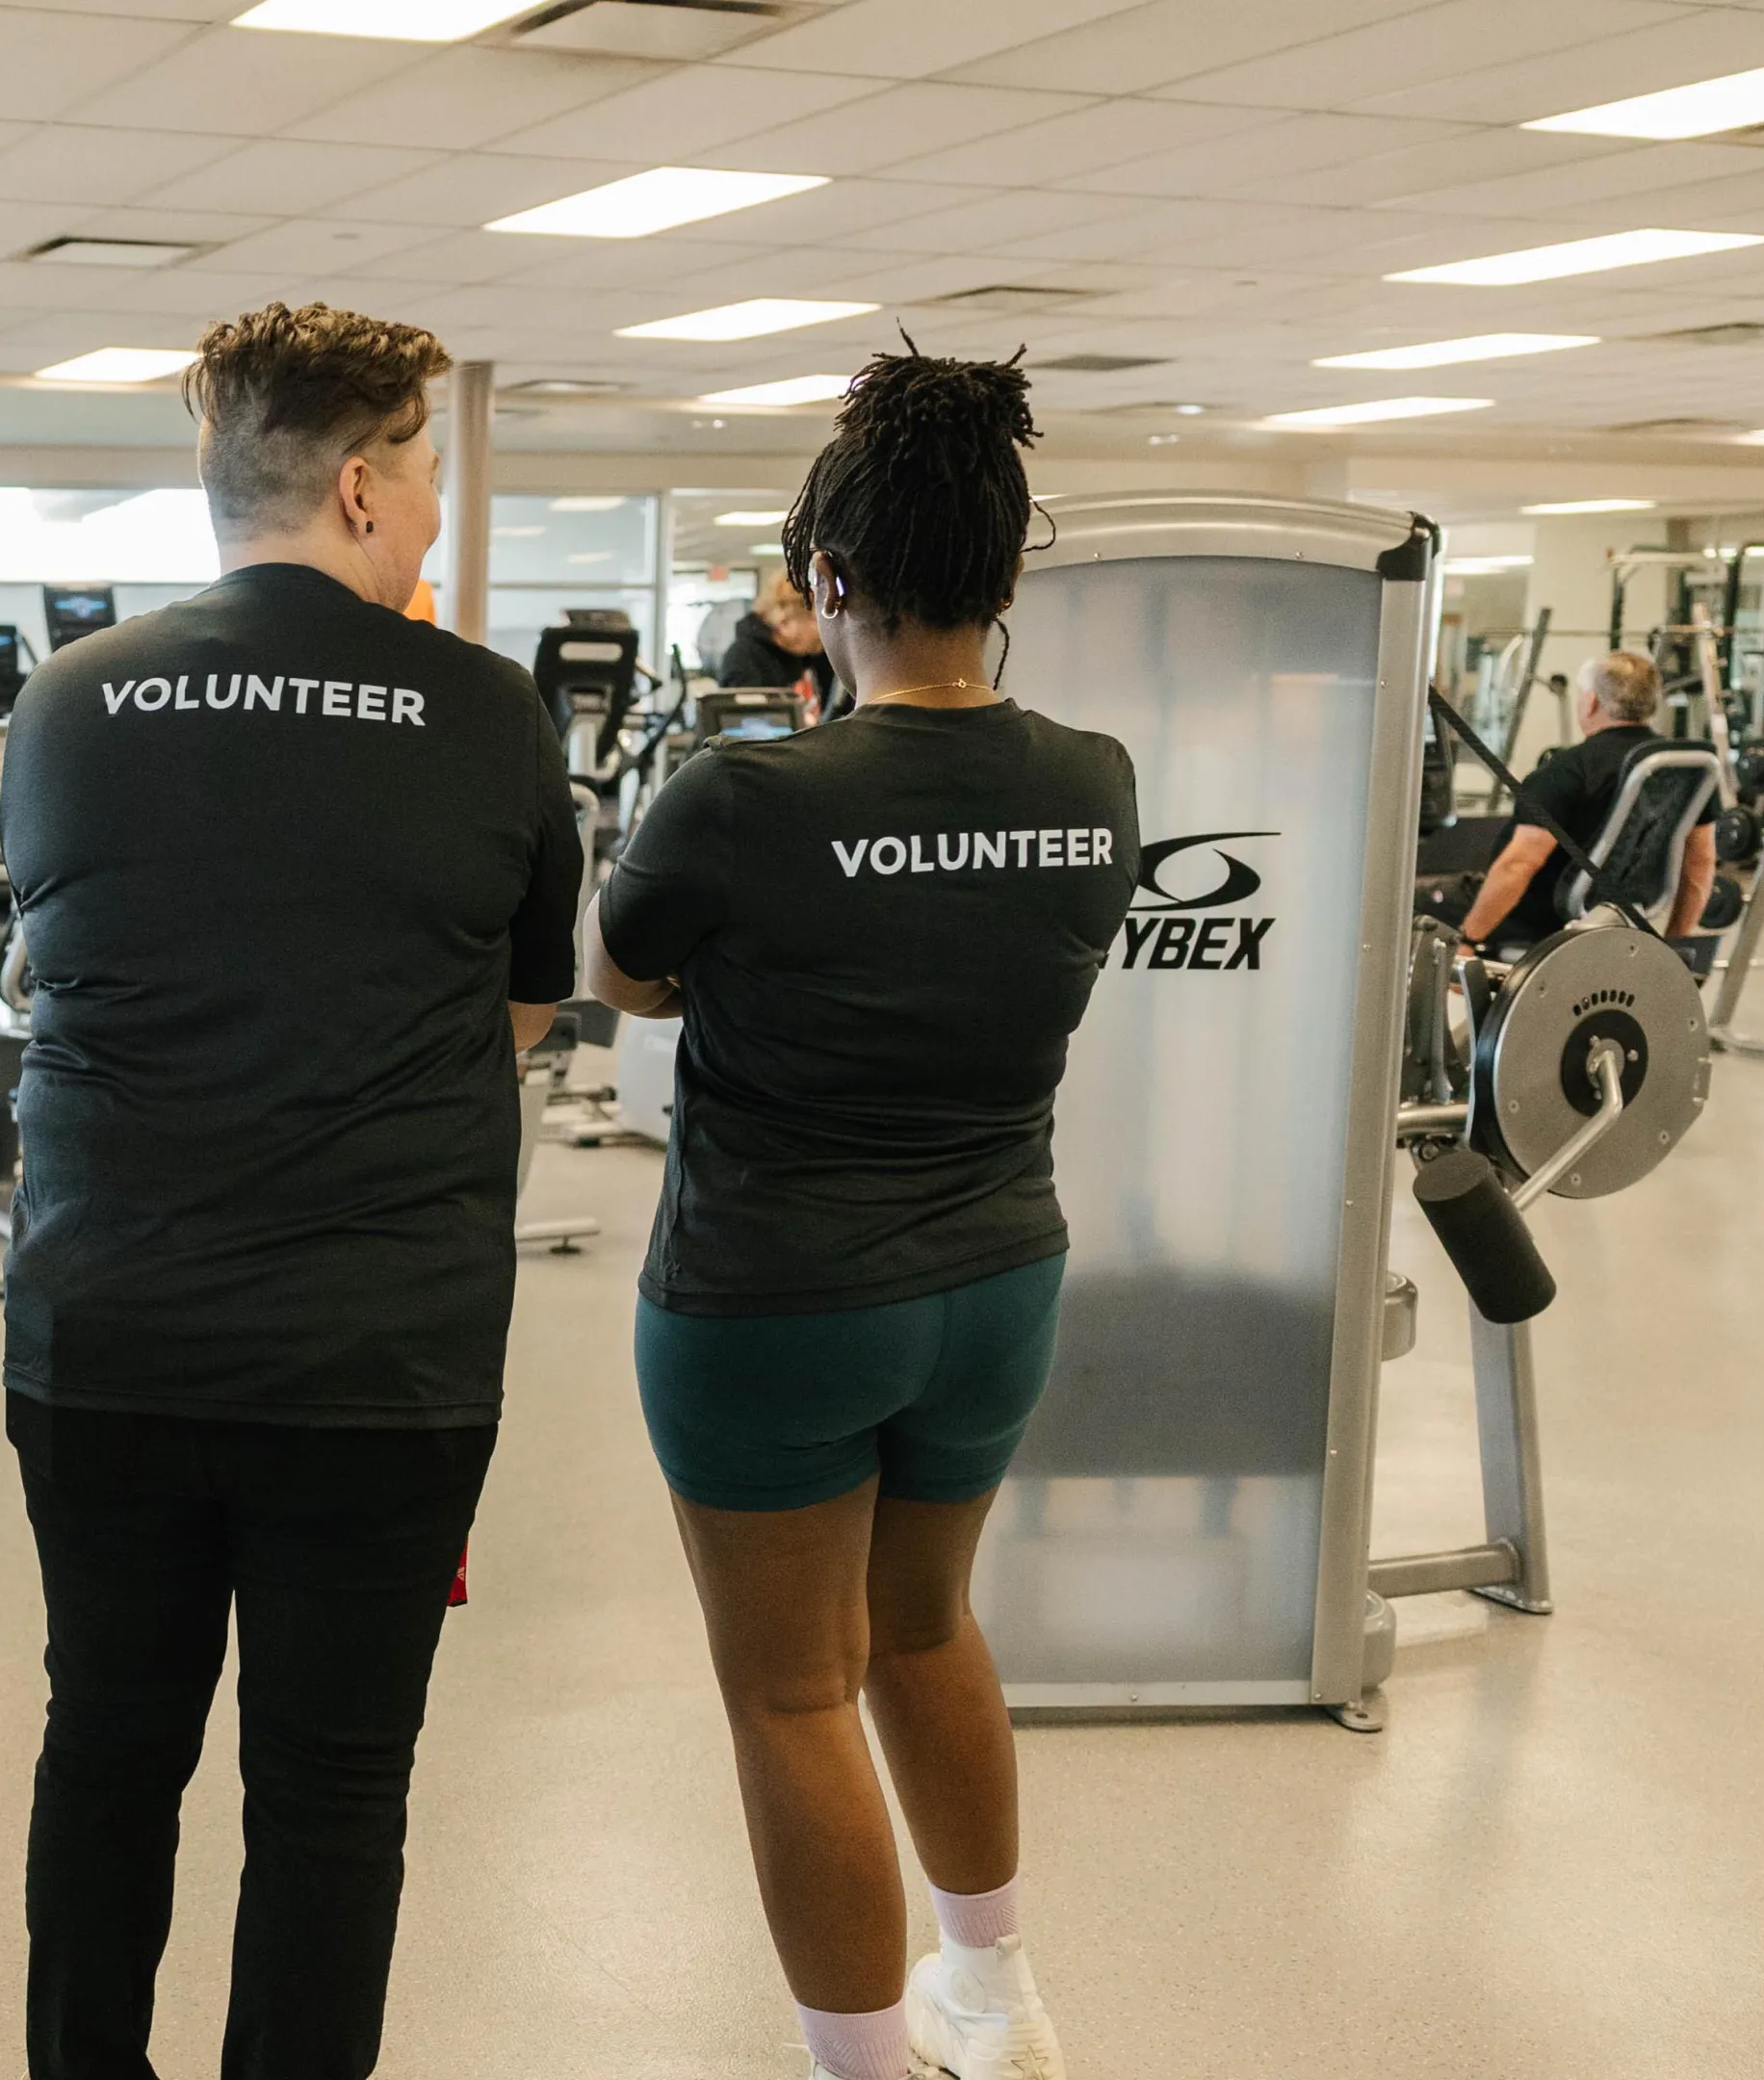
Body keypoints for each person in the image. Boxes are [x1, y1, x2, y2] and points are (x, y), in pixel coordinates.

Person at [0, 300, 582, 2080]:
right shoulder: (487, 713)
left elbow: (62, 958)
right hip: (374, 1364)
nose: (429, 520)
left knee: (107, 1750)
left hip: (107, 1336)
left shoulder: (67, 699)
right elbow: (523, 1005)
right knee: (333, 1799)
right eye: (423, 481)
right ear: (354, 485)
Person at [587, 349, 1137, 2080]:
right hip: (996, 1280)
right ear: (1004, 579)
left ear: (827, 582)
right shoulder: (1095, 780)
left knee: (793, 1689)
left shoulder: (748, 794)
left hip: (777, 1297)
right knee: (926, 1627)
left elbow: (621, 974)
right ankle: (1002, 1997)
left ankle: (868, 2068)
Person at [1458, 649, 1716, 949]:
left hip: (1538, 927)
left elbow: (1520, 863)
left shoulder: (1567, 769)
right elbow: (1701, 861)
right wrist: (1672, 945)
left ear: (1591, 701)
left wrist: (1468, 939)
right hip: (1622, 922)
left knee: (1420, 904)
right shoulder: (1682, 767)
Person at [718, 571, 839, 717]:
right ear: (784, 621)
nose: (822, 626)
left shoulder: (815, 653)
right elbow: (746, 724)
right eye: (814, 619)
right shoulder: (744, 659)